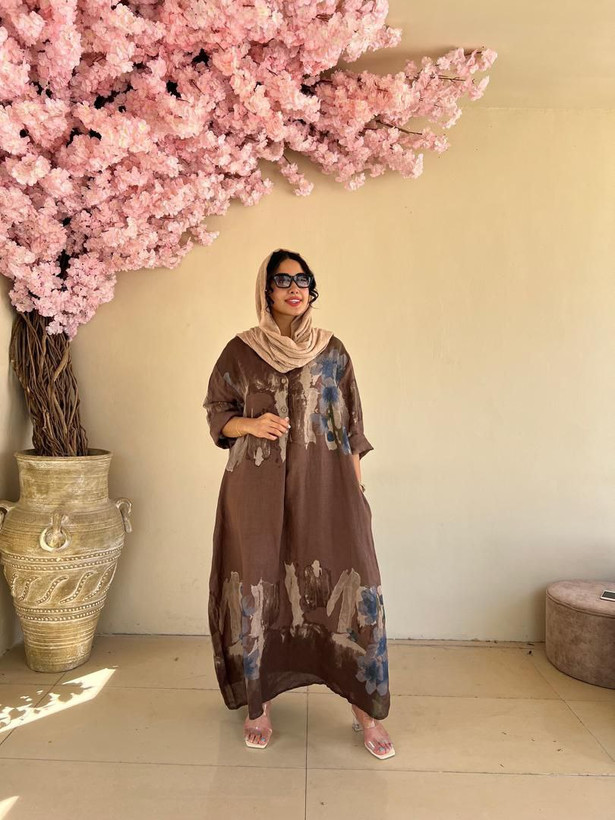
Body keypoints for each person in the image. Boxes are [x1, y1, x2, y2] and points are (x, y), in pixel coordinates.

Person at [203, 248, 395, 759]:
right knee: (259, 579)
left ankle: (364, 706)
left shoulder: (332, 351)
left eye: (303, 279)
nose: (295, 288)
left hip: (326, 485)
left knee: (351, 579)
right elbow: (217, 412)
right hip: (256, 488)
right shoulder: (241, 351)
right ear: (265, 289)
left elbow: (352, 427)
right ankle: (259, 702)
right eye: (283, 279)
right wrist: (250, 423)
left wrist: (357, 492)